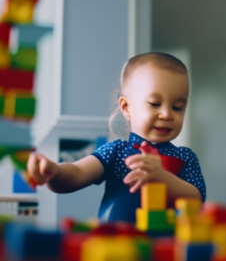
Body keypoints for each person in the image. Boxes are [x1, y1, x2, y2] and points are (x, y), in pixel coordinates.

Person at [27, 52, 206, 223]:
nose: (167, 114)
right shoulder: (116, 151)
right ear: (127, 108)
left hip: (167, 248)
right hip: (116, 244)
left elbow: (197, 199)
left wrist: (162, 177)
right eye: (155, 104)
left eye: (177, 107)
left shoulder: (185, 157)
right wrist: (55, 172)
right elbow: (76, 174)